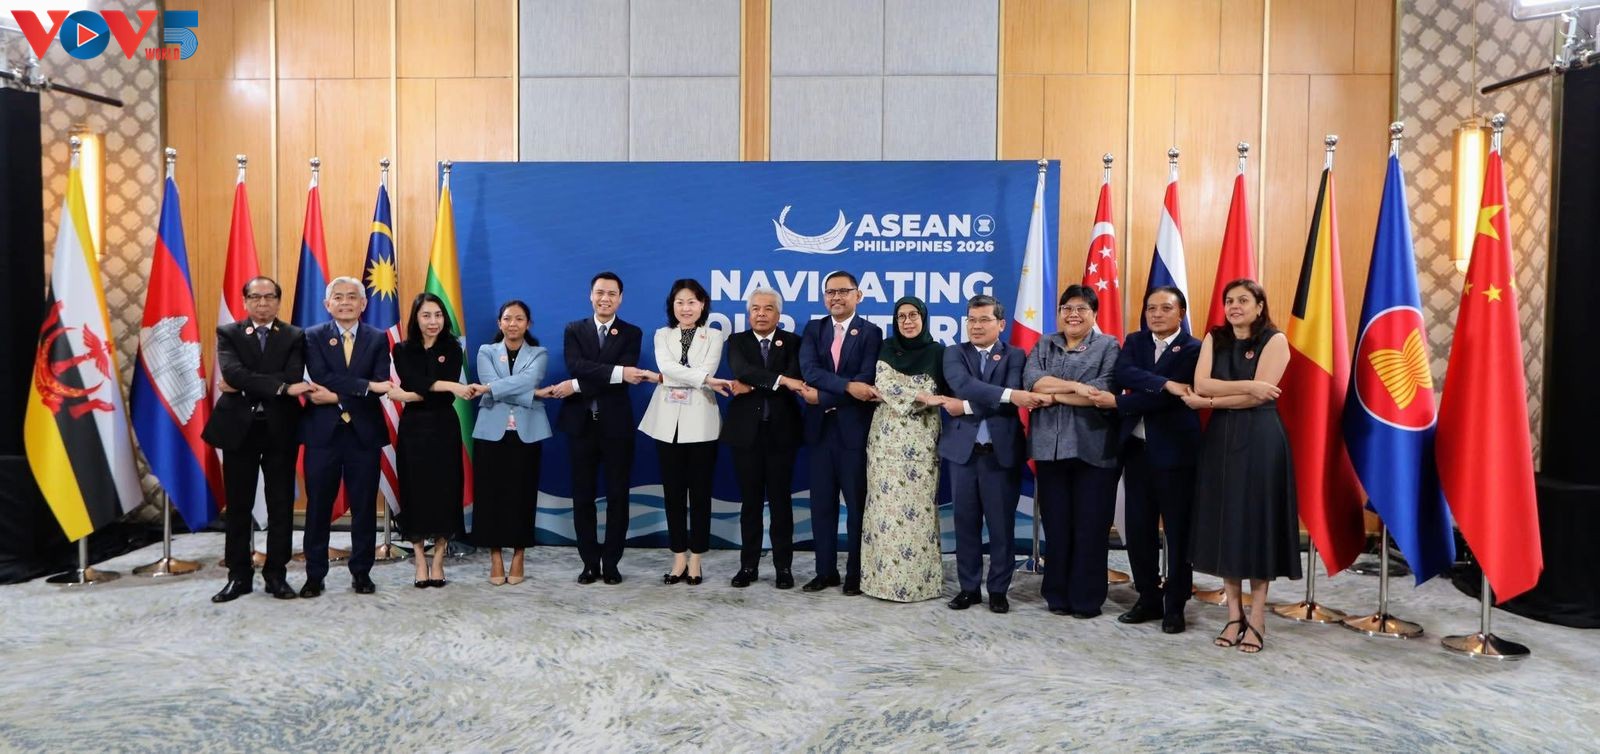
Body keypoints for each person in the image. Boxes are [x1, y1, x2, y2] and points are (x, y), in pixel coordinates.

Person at [1185, 278, 1300, 655]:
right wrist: (1249, 386)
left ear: (1259, 306)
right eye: (1229, 300)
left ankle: (1258, 617)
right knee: (1227, 525)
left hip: (1261, 439)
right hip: (1221, 439)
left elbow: (1255, 399)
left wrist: (1212, 402)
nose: (1234, 306)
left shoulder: (1275, 340)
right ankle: (1234, 615)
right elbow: (1201, 383)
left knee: (1256, 526)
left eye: (1243, 300)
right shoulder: (1214, 338)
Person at [1093, 286, 1202, 634]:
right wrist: (1167, 383)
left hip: (1175, 455)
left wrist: (1123, 402)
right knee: (1138, 530)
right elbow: (1124, 375)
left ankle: (1176, 604)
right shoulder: (1136, 341)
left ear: (1181, 313)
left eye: (1165, 308)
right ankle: (1148, 597)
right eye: (1151, 308)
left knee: (1177, 532)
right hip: (1136, 452)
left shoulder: (1195, 349)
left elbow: (1172, 400)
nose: (1156, 314)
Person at [936, 294, 1049, 614]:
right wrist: (1010, 396)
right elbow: (965, 386)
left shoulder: (1015, 355)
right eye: (971, 320)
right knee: (965, 524)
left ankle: (998, 590)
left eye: (984, 320)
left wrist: (964, 407)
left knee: (1001, 526)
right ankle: (969, 588)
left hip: (1000, 454)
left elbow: (1003, 401)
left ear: (1000, 324)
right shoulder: (953, 353)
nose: (976, 326)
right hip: (963, 455)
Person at [543, 271, 657, 585]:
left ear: (620, 298)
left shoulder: (631, 333)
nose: (605, 298)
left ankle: (611, 562)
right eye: (600, 293)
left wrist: (577, 385)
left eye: (611, 294)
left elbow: (611, 378)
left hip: (616, 427)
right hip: (580, 426)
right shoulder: (574, 329)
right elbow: (576, 365)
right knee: (583, 497)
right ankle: (589, 562)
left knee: (618, 496)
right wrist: (617, 372)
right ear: (590, 295)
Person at [204, 276, 312, 603]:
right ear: (245, 301)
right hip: (239, 429)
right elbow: (232, 373)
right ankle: (238, 576)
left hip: (280, 428)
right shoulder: (229, 333)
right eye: (255, 297)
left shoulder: (294, 335)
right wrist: (280, 388)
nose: (262, 303)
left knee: (281, 505)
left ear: (278, 301)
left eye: (269, 297)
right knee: (239, 506)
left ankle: (276, 575)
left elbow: (293, 375)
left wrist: (246, 384)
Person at [1023, 284, 1121, 618]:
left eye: (1081, 308)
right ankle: (1057, 594)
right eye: (1067, 308)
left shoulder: (1109, 345)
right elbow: (1032, 381)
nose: (1073, 314)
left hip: (1094, 450)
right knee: (1057, 525)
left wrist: (1054, 395)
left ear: (1094, 314)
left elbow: (1101, 393)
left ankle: (1087, 598)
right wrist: (1076, 386)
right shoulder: (1045, 343)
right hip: (1049, 450)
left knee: (1090, 527)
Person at [299, 276, 394, 597]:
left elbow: (381, 382)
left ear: (363, 304)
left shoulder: (377, 338)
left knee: (364, 507)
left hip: (363, 435)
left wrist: (338, 398)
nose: (345, 302)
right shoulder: (312, 336)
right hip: (322, 435)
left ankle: (362, 572)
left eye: (352, 297)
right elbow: (320, 376)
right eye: (338, 297)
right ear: (327, 304)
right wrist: (363, 387)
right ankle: (314, 575)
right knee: (317, 507)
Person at [639, 279, 732, 586]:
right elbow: (667, 366)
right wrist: (699, 378)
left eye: (692, 302)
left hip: (702, 423)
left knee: (701, 493)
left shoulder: (714, 335)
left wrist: (668, 377)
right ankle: (678, 556)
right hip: (666, 424)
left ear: (702, 304)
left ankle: (696, 559)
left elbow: (701, 370)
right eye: (680, 302)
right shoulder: (661, 334)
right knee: (673, 493)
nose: (686, 308)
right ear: (672, 306)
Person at [797, 270, 883, 595]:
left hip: (853, 433)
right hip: (819, 432)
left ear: (857, 295)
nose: (836, 297)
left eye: (843, 291)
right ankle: (825, 572)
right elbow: (810, 372)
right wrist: (847, 387)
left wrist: (822, 397)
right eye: (830, 292)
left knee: (857, 508)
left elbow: (866, 380)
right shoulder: (813, 329)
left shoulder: (871, 333)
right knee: (822, 506)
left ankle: (855, 575)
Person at [858, 296, 946, 603]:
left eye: (913, 315)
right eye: (901, 317)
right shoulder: (886, 347)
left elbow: (933, 392)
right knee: (883, 511)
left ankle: (920, 585)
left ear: (923, 317)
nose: (907, 322)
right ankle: (880, 583)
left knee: (919, 513)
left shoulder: (937, 352)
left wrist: (908, 393)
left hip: (922, 441)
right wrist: (921, 395)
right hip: (884, 441)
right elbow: (883, 383)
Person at [386, 293, 472, 588]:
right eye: (426, 315)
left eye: (438, 315)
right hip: (413, 429)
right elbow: (415, 381)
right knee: (415, 491)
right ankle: (420, 560)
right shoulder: (402, 349)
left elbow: (437, 395)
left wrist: (409, 394)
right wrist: (450, 386)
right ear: (416, 318)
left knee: (445, 491)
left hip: (444, 426)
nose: (433, 321)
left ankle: (438, 561)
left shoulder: (453, 348)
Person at [722, 288, 805, 589]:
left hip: (783, 433)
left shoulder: (794, 342)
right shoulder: (737, 341)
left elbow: (796, 376)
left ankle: (784, 567)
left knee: (781, 503)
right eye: (755, 308)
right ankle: (748, 566)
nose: (761, 314)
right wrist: (780, 380)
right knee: (751, 503)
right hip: (747, 434)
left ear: (778, 314)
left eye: (768, 308)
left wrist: (754, 385)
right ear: (749, 314)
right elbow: (741, 370)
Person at [472, 300, 550, 586]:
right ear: (499, 323)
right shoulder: (486, 351)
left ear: (528, 324)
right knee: (490, 496)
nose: (512, 324)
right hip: (491, 432)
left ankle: (519, 555)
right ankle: (495, 556)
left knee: (522, 495)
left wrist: (491, 389)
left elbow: (525, 380)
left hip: (527, 433)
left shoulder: (539, 353)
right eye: (507, 318)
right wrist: (533, 394)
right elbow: (494, 381)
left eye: (519, 319)